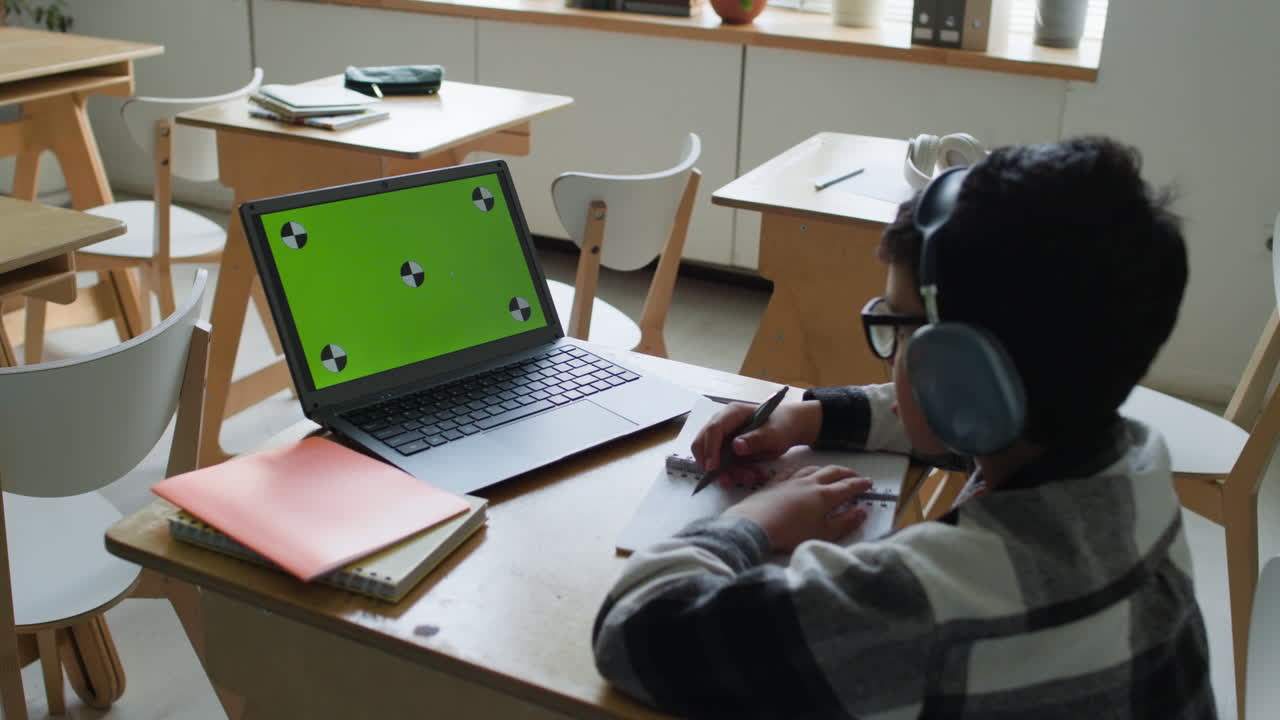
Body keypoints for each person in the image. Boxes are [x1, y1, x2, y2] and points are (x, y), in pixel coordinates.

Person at [592, 136, 1217, 718]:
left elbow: (637, 627)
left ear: (961, 374)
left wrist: (753, 521)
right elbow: (949, 407)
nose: (892, 359)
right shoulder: (1135, 462)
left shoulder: (932, 599)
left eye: (897, 327)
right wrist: (807, 415)